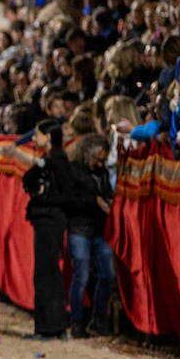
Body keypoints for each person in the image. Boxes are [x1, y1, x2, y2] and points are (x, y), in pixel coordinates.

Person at [21, 121, 72, 339]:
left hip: (50, 220)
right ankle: (52, 326)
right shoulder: (51, 160)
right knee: (47, 273)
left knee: (46, 273)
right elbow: (28, 179)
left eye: (38, 135)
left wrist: (44, 198)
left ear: (49, 137)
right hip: (48, 220)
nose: (34, 139)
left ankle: (49, 327)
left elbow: (68, 193)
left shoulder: (57, 161)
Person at [64, 133, 116, 337]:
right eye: (97, 158)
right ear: (87, 153)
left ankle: (99, 319)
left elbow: (107, 193)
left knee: (108, 274)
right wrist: (94, 201)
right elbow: (69, 202)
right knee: (81, 275)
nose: (100, 163)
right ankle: (76, 321)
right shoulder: (73, 171)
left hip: (99, 229)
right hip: (79, 228)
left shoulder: (102, 172)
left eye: (103, 159)